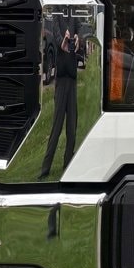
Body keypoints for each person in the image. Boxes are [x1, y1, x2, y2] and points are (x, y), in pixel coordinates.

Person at [39, 28, 80, 179]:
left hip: (73, 79)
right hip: (62, 80)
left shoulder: (75, 17)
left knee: (72, 126)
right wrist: (63, 40)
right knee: (57, 127)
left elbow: (81, 30)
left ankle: (67, 165)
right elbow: (55, 36)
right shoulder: (57, 17)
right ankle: (45, 169)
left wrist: (77, 38)